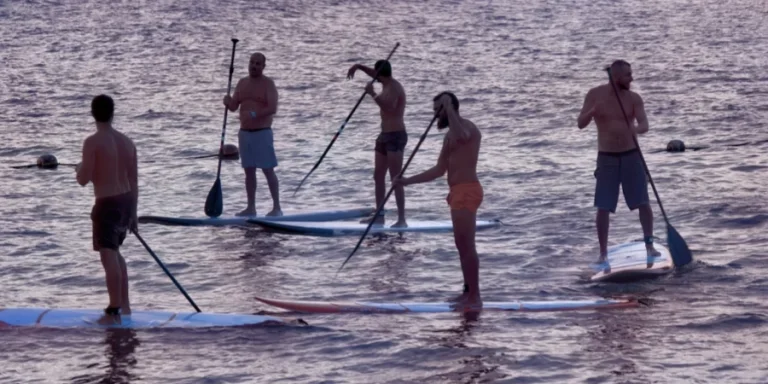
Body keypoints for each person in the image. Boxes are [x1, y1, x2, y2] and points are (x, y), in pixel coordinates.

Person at [393, 92, 483, 311]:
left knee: (467, 245)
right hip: (456, 192)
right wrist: (407, 181)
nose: (435, 116)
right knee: (461, 246)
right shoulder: (449, 135)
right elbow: (439, 169)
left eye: (437, 111)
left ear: (449, 108)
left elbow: (462, 137)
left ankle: (475, 296)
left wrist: (449, 108)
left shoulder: (468, 128)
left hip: (467, 190)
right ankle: (467, 292)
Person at [577, 60, 661, 271]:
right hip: (607, 158)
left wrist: (636, 130)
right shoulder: (595, 94)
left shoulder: (634, 98)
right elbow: (580, 124)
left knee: (643, 202)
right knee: (603, 206)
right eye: (627, 75)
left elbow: (644, 124)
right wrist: (592, 111)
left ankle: (649, 246)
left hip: (632, 155)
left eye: (631, 74)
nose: (632, 78)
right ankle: (603, 253)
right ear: (615, 77)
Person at [76, 94, 137, 323]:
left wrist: (79, 169)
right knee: (116, 253)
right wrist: (133, 213)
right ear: (113, 113)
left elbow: (84, 179)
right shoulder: (127, 142)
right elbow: (134, 181)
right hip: (125, 202)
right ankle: (125, 306)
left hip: (107, 203)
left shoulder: (92, 142)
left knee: (108, 255)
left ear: (92, 114)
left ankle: (114, 310)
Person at [347, 59, 408, 227]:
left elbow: (389, 108)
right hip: (383, 135)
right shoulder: (385, 82)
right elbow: (373, 73)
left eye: (377, 75)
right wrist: (358, 67)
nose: (374, 77)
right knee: (378, 176)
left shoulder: (395, 88)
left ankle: (402, 219)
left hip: (396, 136)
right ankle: (380, 216)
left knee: (396, 178)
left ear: (381, 75)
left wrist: (372, 94)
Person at [223, 52, 282, 217]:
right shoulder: (242, 83)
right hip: (244, 133)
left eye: (257, 63)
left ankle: (277, 208)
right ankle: (251, 208)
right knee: (249, 171)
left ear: (263, 66)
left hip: (262, 132)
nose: (254, 66)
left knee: (267, 170)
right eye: (252, 62)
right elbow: (234, 107)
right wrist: (227, 102)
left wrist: (255, 114)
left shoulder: (268, 84)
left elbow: (272, 108)